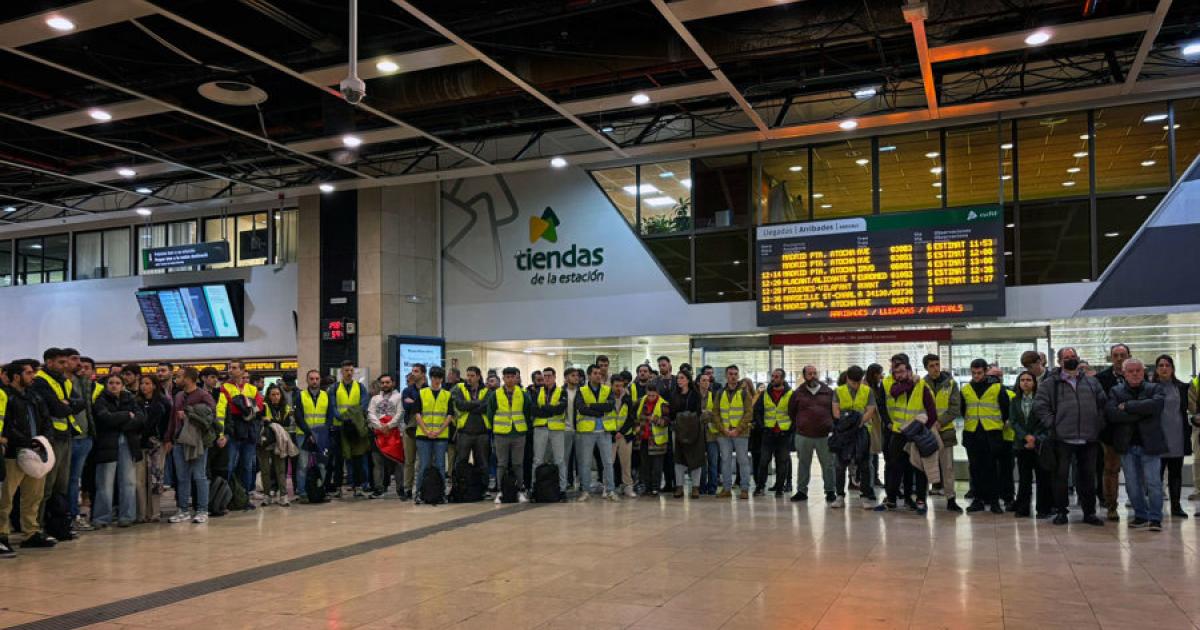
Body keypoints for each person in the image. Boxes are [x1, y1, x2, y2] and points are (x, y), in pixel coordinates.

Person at [1035, 347, 1107, 526]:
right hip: (1062, 439)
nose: (1070, 359)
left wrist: (1097, 425)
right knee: (1060, 477)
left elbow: (1103, 404)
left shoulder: (1091, 382)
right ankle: (1061, 511)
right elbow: (1040, 407)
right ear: (1059, 362)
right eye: (1066, 357)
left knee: (1088, 477)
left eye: (1073, 356)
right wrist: (1053, 424)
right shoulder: (1050, 384)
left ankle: (1089, 512)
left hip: (1088, 438)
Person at [1, 359, 58, 554]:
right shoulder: (5, 396)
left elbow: (46, 420)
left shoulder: (34, 397)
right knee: (6, 497)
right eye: (28, 373)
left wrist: (44, 440)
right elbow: (6, 426)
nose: (32, 376)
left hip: (35, 453)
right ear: (16, 376)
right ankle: (2, 534)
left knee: (34, 495)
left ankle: (31, 532)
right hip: (13, 453)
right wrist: (23, 441)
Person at [1106, 358, 1166, 530]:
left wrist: (1129, 406)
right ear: (1124, 373)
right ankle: (1140, 516)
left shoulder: (1155, 388)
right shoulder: (1115, 391)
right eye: (1130, 371)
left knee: (1154, 483)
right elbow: (1112, 414)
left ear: (1144, 372)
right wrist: (1142, 412)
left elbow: (1156, 406)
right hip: (1127, 445)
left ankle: (1155, 518)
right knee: (1132, 484)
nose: (1134, 374)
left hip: (1150, 445)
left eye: (1138, 370)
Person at [32, 348, 86, 539]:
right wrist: (66, 406)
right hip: (50, 438)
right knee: (46, 486)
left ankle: (58, 526)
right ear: (49, 362)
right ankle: (36, 527)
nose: (65, 366)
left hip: (66, 435)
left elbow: (81, 403)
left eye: (66, 362)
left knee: (61, 486)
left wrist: (67, 404)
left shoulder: (63, 380)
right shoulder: (40, 381)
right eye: (61, 362)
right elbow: (56, 408)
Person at [876, 360, 937, 514]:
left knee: (918, 468)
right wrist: (911, 381)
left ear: (910, 371)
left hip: (917, 433)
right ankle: (891, 500)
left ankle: (921, 500)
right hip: (899, 432)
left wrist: (923, 430)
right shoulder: (896, 386)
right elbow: (895, 393)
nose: (900, 375)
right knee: (895, 466)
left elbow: (932, 412)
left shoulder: (923, 386)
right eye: (897, 372)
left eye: (903, 371)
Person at [92, 373, 145, 529]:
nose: (114, 385)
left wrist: (121, 422)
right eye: (111, 383)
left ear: (122, 385)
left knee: (128, 482)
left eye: (117, 383)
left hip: (128, 444)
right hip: (106, 445)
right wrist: (126, 415)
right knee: (105, 483)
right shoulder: (100, 400)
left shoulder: (131, 400)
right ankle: (101, 518)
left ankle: (127, 516)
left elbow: (141, 418)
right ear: (106, 385)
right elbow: (104, 419)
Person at [165, 368, 215, 524]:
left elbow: (210, 417)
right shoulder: (179, 395)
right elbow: (173, 419)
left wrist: (190, 415)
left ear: (188, 379)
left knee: (199, 476)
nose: (175, 380)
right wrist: (168, 438)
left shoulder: (203, 395)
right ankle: (183, 509)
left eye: (178, 377)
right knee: (182, 477)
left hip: (197, 441)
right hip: (179, 440)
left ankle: (202, 509)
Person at [961, 358, 1009, 515]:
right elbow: (963, 410)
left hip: (991, 433)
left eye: (979, 373)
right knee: (975, 469)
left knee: (992, 469)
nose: (976, 376)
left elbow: (1005, 409)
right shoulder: (966, 389)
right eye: (973, 373)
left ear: (986, 371)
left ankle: (994, 501)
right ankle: (978, 500)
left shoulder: (996, 388)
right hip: (972, 433)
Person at [789, 365, 838, 504]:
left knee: (828, 465)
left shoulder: (828, 392)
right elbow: (791, 412)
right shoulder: (798, 393)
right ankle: (801, 491)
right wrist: (801, 424)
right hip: (804, 435)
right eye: (810, 373)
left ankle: (830, 491)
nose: (813, 376)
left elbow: (835, 411)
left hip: (824, 435)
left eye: (815, 373)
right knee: (803, 464)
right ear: (804, 376)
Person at [921, 354, 963, 513]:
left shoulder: (950, 384)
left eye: (937, 364)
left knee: (948, 467)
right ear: (926, 368)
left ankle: (951, 498)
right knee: (925, 466)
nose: (936, 368)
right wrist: (929, 423)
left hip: (945, 430)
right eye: (931, 365)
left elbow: (954, 408)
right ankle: (921, 499)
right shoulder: (921, 384)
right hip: (926, 432)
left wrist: (940, 422)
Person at [1095, 343, 1130, 520]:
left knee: (1135, 470)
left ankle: (1137, 503)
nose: (1119, 358)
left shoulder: (1139, 375)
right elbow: (1101, 406)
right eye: (1115, 355)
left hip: (1135, 431)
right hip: (1110, 432)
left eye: (1122, 355)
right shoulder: (1101, 378)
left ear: (1128, 356)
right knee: (1111, 469)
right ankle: (1111, 506)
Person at [1152, 355, 1190, 518]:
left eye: (1167, 365)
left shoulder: (1182, 387)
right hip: (1157, 437)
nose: (1164, 368)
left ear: (1172, 368)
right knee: (1156, 476)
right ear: (1156, 369)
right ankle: (1156, 507)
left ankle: (1176, 506)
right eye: (1161, 365)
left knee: (1176, 473)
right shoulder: (1149, 387)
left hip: (1177, 436)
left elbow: (1189, 409)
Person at [833, 366, 876, 508]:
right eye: (853, 382)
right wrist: (848, 424)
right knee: (840, 465)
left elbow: (871, 410)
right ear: (847, 379)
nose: (856, 385)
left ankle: (865, 496)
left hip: (862, 431)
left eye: (858, 382)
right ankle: (839, 496)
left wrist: (859, 422)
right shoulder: (838, 391)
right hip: (843, 433)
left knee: (864, 465)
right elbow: (836, 411)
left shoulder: (867, 391)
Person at [1010, 370, 1051, 518]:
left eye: (1028, 380)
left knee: (1042, 477)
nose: (1025, 382)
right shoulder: (1014, 400)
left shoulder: (1041, 400)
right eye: (1022, 380)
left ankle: (1043, 509)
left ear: (1034, 383)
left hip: (1039, 444)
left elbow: (1044, 421)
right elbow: (1013, 421)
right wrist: (1025, 437)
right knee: (1024, 478)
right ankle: (1023, 508)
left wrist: (1035, 438)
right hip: (1022, 445)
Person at [488, 367, 531, 503]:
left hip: (518, 433)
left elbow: (527, 412)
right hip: (501, 434)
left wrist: (524, 428)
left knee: (518, 464)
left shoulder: (523, 394)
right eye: (507, 377)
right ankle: (501, 491)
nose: (510, 379)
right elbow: (490, 413)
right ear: (503, 378)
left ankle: (519, 490)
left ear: (517, 378)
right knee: (502, 464)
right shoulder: (495, 394)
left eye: (513, 377)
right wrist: (495, 428)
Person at [575, 364, 617, 501]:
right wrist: (600, 410)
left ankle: (610, 490)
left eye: (599, 373)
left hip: (604, 430)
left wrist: (591, 406)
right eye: (595, 373)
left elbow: (610, 406)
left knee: (608, 462)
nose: (598, 375)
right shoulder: (581, 390)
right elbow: (581, 409)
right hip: (587, 431)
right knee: (585, 463)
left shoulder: (607, 389)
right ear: (589, 375)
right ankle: (585, 491)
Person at [328, 361, 370, 498]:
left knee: (357, 457)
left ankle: (357, 486)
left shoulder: (360, 387)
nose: (349, 373)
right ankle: (338, 487)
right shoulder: (334, 388)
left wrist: (351, 418)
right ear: (341, 372)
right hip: (339, 427)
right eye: (346, 370)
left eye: (351, 370)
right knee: (339, 459)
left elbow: (363, 405)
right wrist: (342, 418)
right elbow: (333, 407)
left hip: (355, 427)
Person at [411, 366, 452, 504]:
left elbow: (449, 415)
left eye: (439, 378)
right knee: (423, 465)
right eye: (434, 377)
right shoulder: (422, 393)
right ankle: (418, 493)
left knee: (441, 466)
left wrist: (439, 431)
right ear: (430, 377)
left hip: (441, 436)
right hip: (423, 436)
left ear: (442, 379)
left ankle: (441, 493)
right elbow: (417, 414)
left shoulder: (447, 395)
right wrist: (426, 431)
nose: (436, 380)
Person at [68, 356, 99, 531]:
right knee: (66, 481)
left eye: (86, 367)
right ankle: (67, 515)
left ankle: (75, 515)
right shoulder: (64, 383)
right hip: (68, 438)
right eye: (79, 365)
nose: (82, 369)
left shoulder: (87, 385)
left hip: (86, 438)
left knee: (76, 480)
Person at [135, 375, 171, 522]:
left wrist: (168, 440)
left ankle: (155, 512)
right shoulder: (136, 402)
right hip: (139, 443)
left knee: (156, 479)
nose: (144, 386)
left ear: (154, 385)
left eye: (147, 383)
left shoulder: (163, 402)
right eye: (142, 383)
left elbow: (169, 423)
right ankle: (142, 513)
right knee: (140, 480)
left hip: (157, 443)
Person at [715, 366, 753, 500]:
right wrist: (722, 429)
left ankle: (744, 489)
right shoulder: (720, 393)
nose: (733, 376)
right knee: (725, 461)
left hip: (741, 433)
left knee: (743, 461)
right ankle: (726, 489)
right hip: (724, 433)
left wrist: (738, 429)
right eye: (730, 374)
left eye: (736, 374)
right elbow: (716, 413)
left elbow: (749, 413)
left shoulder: (744, 393)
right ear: (726, 375)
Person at [754, 368, 793, 497]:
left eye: (776, 377)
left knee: (782, 462)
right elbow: (758, 411)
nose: (773, 379)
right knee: (764, 461)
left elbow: (795, 413)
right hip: (768, 433)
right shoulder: (764, 394)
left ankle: (779, 488)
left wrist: (791, 429)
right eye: (772, 376)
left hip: (784, 434)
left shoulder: (790, 394)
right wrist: (762, 427)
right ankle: (760, 487)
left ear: (782, 379)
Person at [450, 368, 489, 488]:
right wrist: (477, 403)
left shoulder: (487, 390)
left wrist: (470, 405)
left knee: (482, 463)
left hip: (482, 432)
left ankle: (482, 488)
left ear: (478, 376)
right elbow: (460, 405)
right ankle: (459, 486)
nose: (469, 378)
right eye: (467, 375)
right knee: (461, 461)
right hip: (464, 432)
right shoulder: (459, 388)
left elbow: (486, 407)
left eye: (472, 375)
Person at [532, 366, 569, 493]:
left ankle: (562, 489)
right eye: (545, 376)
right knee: (538, 460)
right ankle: (534, 488)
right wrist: (551, 409)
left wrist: (544, 408)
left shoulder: (562, 391)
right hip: (540, 428)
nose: (547, 378)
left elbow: (560, 409)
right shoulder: (537, 392)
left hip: (557, 429)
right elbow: (534, 410)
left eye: (549, 376)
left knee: (559, 460)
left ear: (554, 377)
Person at [367, 374, 404, 499]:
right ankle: (378, 488)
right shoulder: (375, 399)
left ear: (393, 383)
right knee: (377, 463)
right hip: (378, 435)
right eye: (382, 383)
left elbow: (400, 413)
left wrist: (389, 425)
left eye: (387, 382)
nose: (385, 385)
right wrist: (380, 426)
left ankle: (400, 489)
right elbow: (370, 414)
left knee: (398, 463)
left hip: (394, 435)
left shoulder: (399, 397)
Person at [295, 370, 329, 504]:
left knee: (322, 465)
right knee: (303, 465)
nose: (314, 381)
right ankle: (302, 493)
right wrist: (310, 433)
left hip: (321, 436)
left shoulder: (326, 395)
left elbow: (329, 415)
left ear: (320, 380)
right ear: (307, 380)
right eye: (311, 379)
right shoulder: (300, 396)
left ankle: (321, 492)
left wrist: (322, 432)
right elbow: (298, 417)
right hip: (303, 435)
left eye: (317, 378)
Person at [670, 371, 705, 499]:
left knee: (696, 458)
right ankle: (679, 487)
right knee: (679, 459)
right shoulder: (674, 394)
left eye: (682, 378)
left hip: (694, 429)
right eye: (678, 378)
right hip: (678, 430)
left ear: (688, 380)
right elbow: (672, 412)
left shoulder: (695, 394)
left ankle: (695, 487)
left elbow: (698, 412)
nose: (679, 380)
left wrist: (685, 417)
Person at [260, 385, 296, 506]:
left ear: (281, 395)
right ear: (268, 396)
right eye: (273, 394)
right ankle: (267, 495)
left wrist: (270, 422)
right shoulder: (263, 406)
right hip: (264, 441)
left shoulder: (286, 408)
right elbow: (261, 420)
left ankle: (283, 496)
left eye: (277, 394)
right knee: (265, 470)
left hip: (279, 442)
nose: (275, 397)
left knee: (281, 469)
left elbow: (284, 424)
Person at [637, 383, 669, 497]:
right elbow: (637, 416)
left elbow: (666, 421)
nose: (650, 397)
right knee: (645, 466)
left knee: (657, 467)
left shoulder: (663, 404)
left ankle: (655, 487)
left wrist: (654, 419)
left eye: (653, 395)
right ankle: (647, 487)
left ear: (657, 394)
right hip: (643, 438)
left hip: (657, 440)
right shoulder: (641, 401)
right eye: (649, 395)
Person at [400, 364, 426, 500]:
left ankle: (421, 487)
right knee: (409, 460)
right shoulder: (407, 390)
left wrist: (415, 402)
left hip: (424, 428)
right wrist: (418, 403)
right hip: (410, 428)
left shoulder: (428, 390)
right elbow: (406, 406)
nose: (413, 374)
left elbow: (424, 406)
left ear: (423, 374)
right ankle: (407, 488)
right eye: (412, 371)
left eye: (416, 371)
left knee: (422, 461)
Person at [610, 374, 638, 498]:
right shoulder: (607, 398)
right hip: (610, 435)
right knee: (609, 463)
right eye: (616, 386)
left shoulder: (627, 398)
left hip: (625, 435)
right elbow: (605, 417)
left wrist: (621, 432)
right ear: (611, 385)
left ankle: (628, 486)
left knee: (626, 463)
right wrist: (613, 432)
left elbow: (631, 418)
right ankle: (609, 487)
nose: (619, 388)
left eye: (621, 386)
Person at [698, 372, 721, 496]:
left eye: (707, 380)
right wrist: (706, 413)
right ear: (699, 382)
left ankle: (712, 487)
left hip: (712, 434)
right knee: (701, 462)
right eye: (703, 380)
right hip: (699, 434)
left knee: (713, 461)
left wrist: (706, 413)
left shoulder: (714, 396)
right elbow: (695, 414)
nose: (706, 382)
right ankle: (701, 486)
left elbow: (717, 414)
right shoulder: (695, 397)